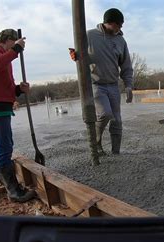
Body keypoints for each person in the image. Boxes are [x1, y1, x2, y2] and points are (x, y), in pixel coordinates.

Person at [0, 29, 36, 202]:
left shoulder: (5, 57)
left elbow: (6, 86)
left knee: (5, 144)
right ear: (8, 40)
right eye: (15, 42)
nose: (17, 47)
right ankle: (14, 191)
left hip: (1, 105)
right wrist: (16, 49)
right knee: (4, 147)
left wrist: (19, 89)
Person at [70, 8, 133, 155]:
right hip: (95, 84)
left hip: (113, 85)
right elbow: (78, 54)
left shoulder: (120, 40)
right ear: (109, 23)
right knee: (105, 113)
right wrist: (75, 55)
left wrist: (129, 85)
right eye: (119, 25)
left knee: (117, 119)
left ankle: (116, 152)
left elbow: (126, 65)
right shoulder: (89, 36)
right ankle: (96, 143)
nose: (121, 28)